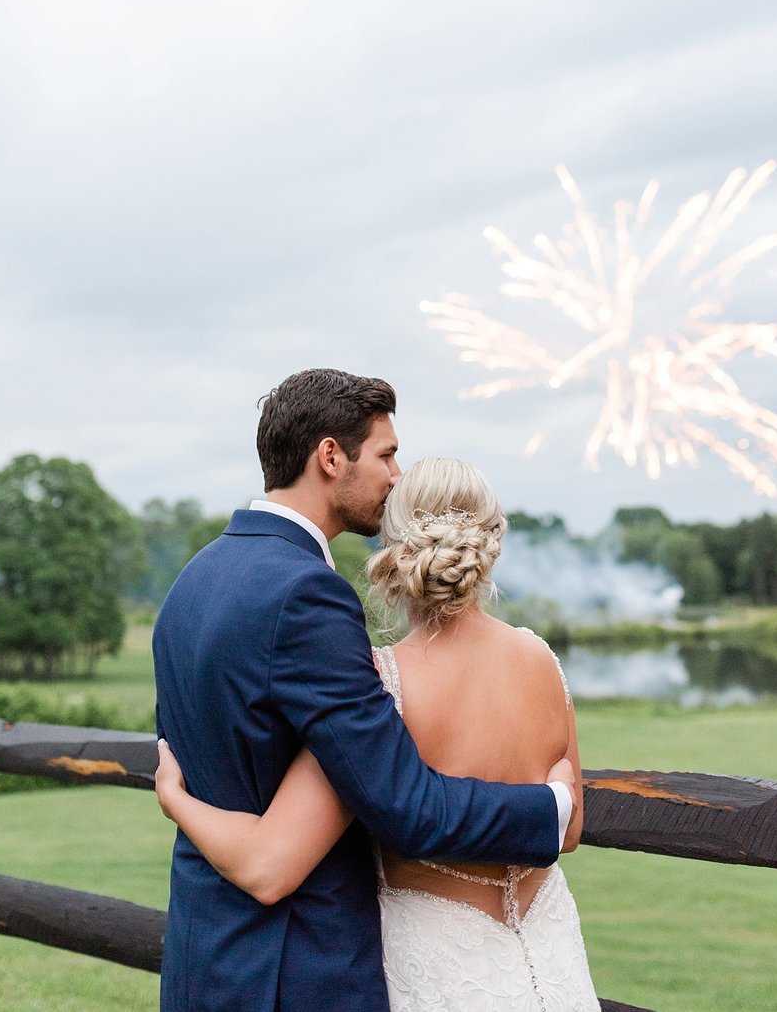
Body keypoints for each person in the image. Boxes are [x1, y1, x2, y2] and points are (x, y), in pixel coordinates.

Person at [153, 370, 576, 1012]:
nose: (396, 476)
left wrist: (179, 804)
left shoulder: (193, 580)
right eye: (386, 454)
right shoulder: (308, 595)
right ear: (331, 457)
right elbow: (403, 803)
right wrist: (552, 808)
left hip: (205, 962)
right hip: (295, 971)